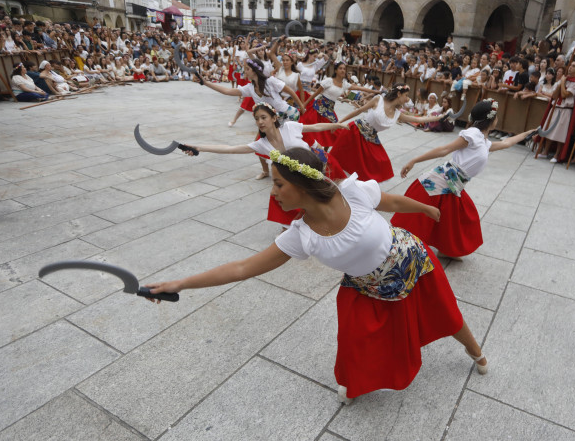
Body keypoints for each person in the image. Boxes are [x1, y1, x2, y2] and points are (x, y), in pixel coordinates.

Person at [144, 146, 488, 404]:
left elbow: (393, 203)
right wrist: (181, 283)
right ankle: (355, 383)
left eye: (279, 184)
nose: (273, 192)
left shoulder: (352, 192)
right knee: (355, 341)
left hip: (412, 258)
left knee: (446, 314)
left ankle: (474, 351)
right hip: (371, 286)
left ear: (301, 185)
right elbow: (242, 268)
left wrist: (426, 207)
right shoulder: (300, 236)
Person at [393, 99, 537, 258]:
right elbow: (444, 149)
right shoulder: (472, 134)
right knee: (418, 220)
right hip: (439, 181)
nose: (497, 120)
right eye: (496, 117)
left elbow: (506, 143)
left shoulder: (484, 141)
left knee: (459, 218)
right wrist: (414, 160)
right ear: (490, 119)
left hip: (455, 186)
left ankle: (445, 249)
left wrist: (527, 133)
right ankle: (406, 247)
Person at [175, 102, 346, 226]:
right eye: (257, 119)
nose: (260, 122)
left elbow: (315, 127)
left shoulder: (290, 127)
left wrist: (336, 124)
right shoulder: (261, 144)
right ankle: (293, 224)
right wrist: (198, 147)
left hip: (320, 163)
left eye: (263, 117)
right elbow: (230, 148)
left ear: (273, 118)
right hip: (298, 175)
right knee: (284, 194)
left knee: (339, 191)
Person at [328, 84, 449, 182]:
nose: (407, 98)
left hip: (370, 138)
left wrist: (438, 118)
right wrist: (339, 123)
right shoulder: (378, 100)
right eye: (406, 95)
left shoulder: (398, 114)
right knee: (337, 159)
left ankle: (354, 187)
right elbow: (359, 111)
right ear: (398, 94)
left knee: (381, 164)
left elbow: (418, 119)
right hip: (355, 131)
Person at [299, 62, 379, 146]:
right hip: (318, 107)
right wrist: (304, 105)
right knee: (313, 128)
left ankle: (325, 151)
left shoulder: (345, 84)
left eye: (344, 69)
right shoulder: (328, 81)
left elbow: (361, 88)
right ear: (336, 70)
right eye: (340, 68)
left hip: (329, 110)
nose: (343, 70)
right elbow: (315, 94)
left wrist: (375, 91)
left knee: (334, 131)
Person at [538, 59, 575, 163]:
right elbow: (555, 96)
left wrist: (563, 82)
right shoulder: (564, 79)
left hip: (566, 110)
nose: (570, 68)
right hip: (556, 107)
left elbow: (564, 95)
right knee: (550, 129)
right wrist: (560, 83)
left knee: (561, 133)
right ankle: (545, 151)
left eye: (574, 66)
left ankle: (557, 154)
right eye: (570, 65)